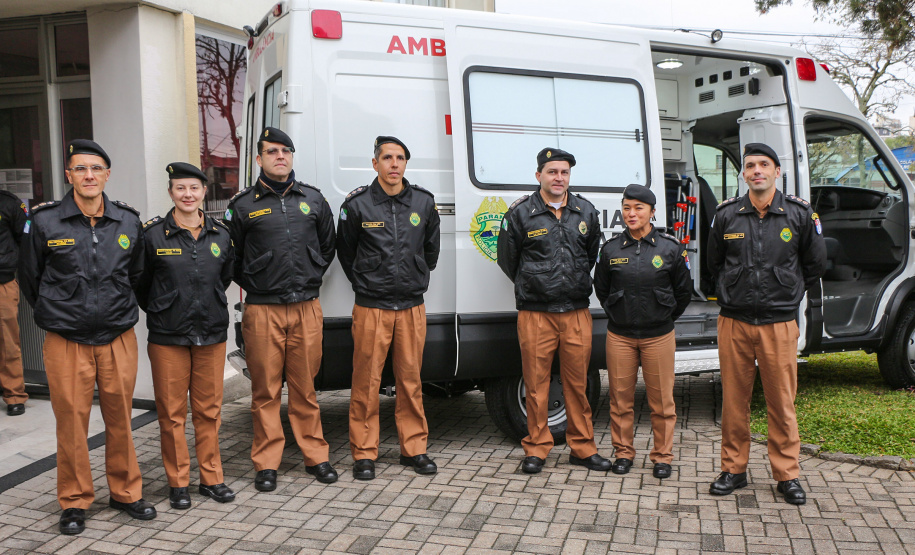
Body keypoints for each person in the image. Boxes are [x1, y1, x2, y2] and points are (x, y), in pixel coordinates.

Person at [19, 139, 155, 535]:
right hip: (66, 340)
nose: (89, 175)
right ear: (69, 176)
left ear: (107, 174)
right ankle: (75, 500)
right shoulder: (46, 221)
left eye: (96, 168)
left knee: (120, 419)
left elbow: (138, 275)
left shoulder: (127, 221)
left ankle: (126, 492)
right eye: (80, 169)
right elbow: (31, 278)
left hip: (116, 337)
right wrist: (57, 312)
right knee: (72, 423)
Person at [707, 143, 826, 505]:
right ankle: (733, 469)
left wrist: (783, 292)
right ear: (743, 174)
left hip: (778, 323)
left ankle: (787, 475)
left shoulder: (800, 214)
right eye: (750, 166)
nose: (756, 170)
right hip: (735, 322)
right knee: (734, 401)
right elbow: (714, 265)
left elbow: (815, 265)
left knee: (781, 402)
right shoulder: (727, 215)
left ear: (777, 171)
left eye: (764, 164)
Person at [225, 127, 338, 491]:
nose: (280, 156)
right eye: (271, 151)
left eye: (285, 150)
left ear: (292, 157)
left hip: (306, 307)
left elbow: (327, 247)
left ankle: (315, 456)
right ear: (258, 159)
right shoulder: (242, 206)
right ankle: (267, 462)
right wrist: (261, 279)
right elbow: (233, 258)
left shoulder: (314, 200)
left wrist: (308, 274)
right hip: (263, 311)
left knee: (305, 389)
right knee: (266, 391)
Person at [496, 147, 610, 475]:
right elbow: (509, 260)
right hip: (536, 313)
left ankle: (583, 448)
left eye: (564, 172)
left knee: (578, 383)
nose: (558, 178)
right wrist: (536, 284)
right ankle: (536, 447)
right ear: (538, 176)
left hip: (575, 311)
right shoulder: (519, 214)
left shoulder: (585, 211)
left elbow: (589, 257)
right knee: (536, 383)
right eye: (552, 172)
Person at [337, 136, 440, 480]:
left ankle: (414, 449)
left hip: (411, 306)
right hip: (372, 308)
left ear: (406, 164)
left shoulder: (423, 203)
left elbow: (431, 252)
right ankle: (364, 453)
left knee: (410, 381)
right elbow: (346, 253)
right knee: (366, 382)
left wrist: (413, 276)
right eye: (387, 158)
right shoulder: (358, 205)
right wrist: (368, 283)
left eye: (400, 158)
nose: (394, 164)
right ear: (375, 164)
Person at [136, 162, 236, 510]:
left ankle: (211, 478)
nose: (188, 195)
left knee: (209, 411)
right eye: (180, 188)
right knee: (172, 414)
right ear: (170, 193)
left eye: (194, 188)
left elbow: (223, 278)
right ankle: (178, 483)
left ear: (204, 193)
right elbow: (141, 284)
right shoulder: (151, 235)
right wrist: (167, 308)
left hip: (210, 333)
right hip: (168, 336)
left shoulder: (221, 234)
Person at [593, 184, 691, 479]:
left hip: (658, 336)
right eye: (626, 208)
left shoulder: (670, 248)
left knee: (661, 401)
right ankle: (623, 454)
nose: (631, 213)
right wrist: (619, 313)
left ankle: (662, 457)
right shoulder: (610, 249)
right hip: (620, 336)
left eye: (638, 208)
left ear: (652, 212)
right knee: (620, 400)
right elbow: (602, 289)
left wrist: (662, 316)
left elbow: (683, 292)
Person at [0, 188, 28, 417]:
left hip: (2, 284)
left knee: (8, 343)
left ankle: (14, 395)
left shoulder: (8, 203)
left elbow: (26, 238)